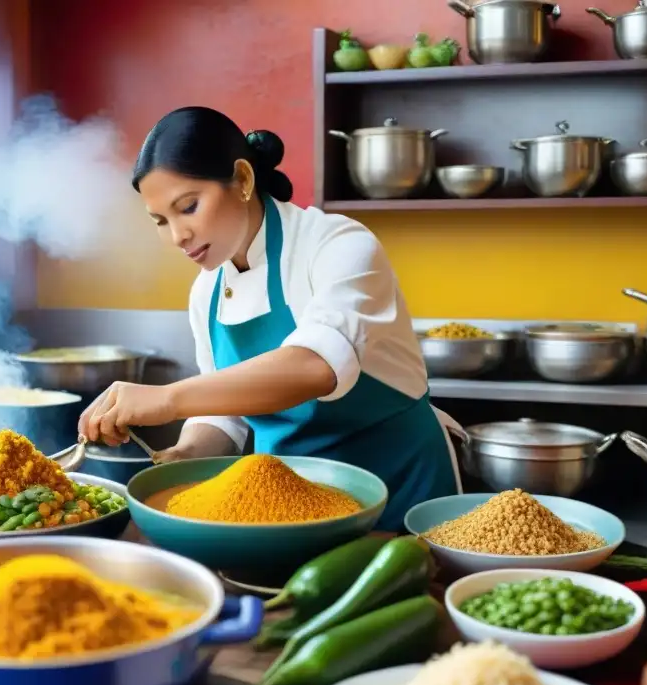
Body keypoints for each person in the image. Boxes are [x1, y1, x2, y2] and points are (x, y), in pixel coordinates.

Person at [79, 106, 461, 531]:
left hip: (399, 491)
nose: (177, 236)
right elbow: (224, 411)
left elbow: (315, 366)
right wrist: (186, 454)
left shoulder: (338, 244)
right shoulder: (206, 292)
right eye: (160, 221)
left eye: (188, 207)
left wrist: (167, 398)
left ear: (242, 179)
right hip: (288, 507)